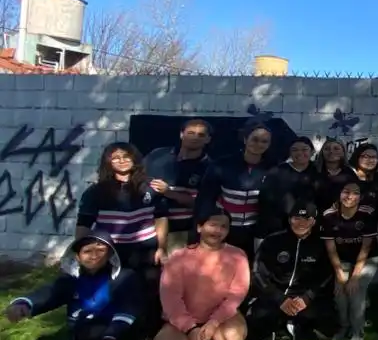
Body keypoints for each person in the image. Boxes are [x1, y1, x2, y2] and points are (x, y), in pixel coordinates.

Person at [4, 233, 145, 340]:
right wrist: (23, 304)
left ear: (110, 253)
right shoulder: (71, 280)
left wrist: (109, 339)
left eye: (100, 250)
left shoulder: (125, 277)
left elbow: (129, 309)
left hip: (118, 330)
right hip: (84, 331)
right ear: (77, 256)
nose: (94, 256)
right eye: (87, 251)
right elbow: (49, 293)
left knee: (111, 334)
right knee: (86, 335)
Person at [151, 210, 250, 340]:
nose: (217, 231)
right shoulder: (179, 257)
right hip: (184, 320)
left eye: (223, 227)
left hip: (221, 319)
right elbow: (171, 299)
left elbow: (237, 294)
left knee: (233, 336)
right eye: (212, 225)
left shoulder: (237, 255)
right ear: (199, 227)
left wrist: (214, 322)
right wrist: (190, 328)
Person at [76, 143, 168, 301]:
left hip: (146, 249)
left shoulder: (151, 187)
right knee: (112, 293)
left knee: (148, 293)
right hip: (111, 250)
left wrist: (162, 247)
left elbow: (161, 218)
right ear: (108, 162)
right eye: (116, 158)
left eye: (126, 157)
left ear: (135, 160)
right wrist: (79, 252)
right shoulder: (96, 192)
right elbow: (83, 225)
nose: (122, 161)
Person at [245, 204, 335, 340]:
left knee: (328, 322)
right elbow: (257, 273)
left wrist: (307, 297)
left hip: (302, 296)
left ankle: (293, 325)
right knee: (256, 320)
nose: (301, 223)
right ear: (289, 219)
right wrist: (280, 299)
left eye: (307, 219)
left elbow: (326, 275)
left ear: (313, 221)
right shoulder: (273, 240)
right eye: (296, 218)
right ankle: (270, 334)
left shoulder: (320, 244)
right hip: (274, 295)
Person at [198, 119, 274, 257]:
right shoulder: (222, 164)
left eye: (264, 141)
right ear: (245, 139)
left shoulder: (273, 168)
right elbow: (205, 198)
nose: (259, 144)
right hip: (225, 229)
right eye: (255, 139)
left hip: (255, 232)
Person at [320, 180, 378, 340]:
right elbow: (331, 249)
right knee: (339, 291)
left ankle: (357, 331)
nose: (350, 196)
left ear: (361, 197)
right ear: (339, 194)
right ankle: (343, 327)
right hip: (343, 258)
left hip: (369, 258)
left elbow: (366, 248)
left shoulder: (368, 213)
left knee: (356, 289)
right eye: (346, 191)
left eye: (355, 193)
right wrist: (339, 274)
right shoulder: (329, 215)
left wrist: (354, 277)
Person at [144, 118, 213, 254]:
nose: (195, 138)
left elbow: (204, 204)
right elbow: (138, 176)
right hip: (145, 229)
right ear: (182, 134)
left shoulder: (210, 168)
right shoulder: (158, 155)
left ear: (208, 139)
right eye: (191, 133)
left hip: (180, 232)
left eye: (201, 135)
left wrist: (169, 192)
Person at [258, 137, 319, 236]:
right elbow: (265, 200)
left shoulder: (318, 172)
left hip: (309, 227)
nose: (299, 153)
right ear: (289, 153)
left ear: (312, 152)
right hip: (280, 227)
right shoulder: (277, 172)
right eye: (295, 150)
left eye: (304, 149)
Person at [314, 138, 358, 213]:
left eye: (336, 149)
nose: (331, 151)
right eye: (327, 149)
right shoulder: (313, 171)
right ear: (322, 152)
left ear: (343, 152)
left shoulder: (350, 174)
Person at [349, 143, 378, 208]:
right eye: (366, 157)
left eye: (374, 157)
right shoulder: (348, 177)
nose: (370, 160)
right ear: (357, 157)